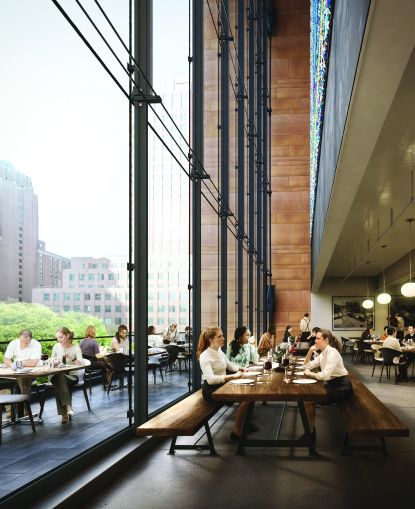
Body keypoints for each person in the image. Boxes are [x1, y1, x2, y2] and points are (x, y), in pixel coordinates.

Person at [197, 327, 256, 440]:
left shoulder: (219, 351)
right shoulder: (205, 356)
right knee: (246, 398)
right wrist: (232, 377)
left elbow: (230, 365)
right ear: (211, 340)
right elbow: (210, 379)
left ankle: (245, 423)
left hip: (222, 386)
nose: (223, 338)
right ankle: (237, 432)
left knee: (249, 392)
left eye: (222, 335)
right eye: (219, 336)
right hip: (211, 390)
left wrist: (243, 369)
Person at [303, 329, 353, 434]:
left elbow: (325, 375)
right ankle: (310, 430)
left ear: (326, 340)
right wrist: (310, 351)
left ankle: (310, 433)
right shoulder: (323, 353)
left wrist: (310, 374)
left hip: (341, 387)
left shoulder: (332, 353)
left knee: (308, 400)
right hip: (333, 384)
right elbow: (306, 366)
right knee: (308, 397)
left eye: (317, 338)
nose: (315, 340)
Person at [51, 327, 84, 423]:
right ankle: (68, 407)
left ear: (68, 336)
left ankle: (64, 414)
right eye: (57, 338)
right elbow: (51, 361)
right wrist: (55, 362)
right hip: (58, 375)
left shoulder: (76, 348)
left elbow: (81, 365)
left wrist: (72, 358)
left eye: (61, 337)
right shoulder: (56, 347)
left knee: (59, 380)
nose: (58, 340)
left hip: (73, 376)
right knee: (59, 378)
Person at [4, 329, 41, 396]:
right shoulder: (13, 343)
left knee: (23, 379)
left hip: (31, 372)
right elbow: (6, 359)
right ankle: (5, 405)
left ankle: (25, 405)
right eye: (21, 341)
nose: (23, 344)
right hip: (15, 371)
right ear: (19, 338)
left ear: (31, 339)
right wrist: (11, 365)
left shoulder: (36, 344)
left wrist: (18, 363)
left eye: (26, 343)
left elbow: (33, 363)